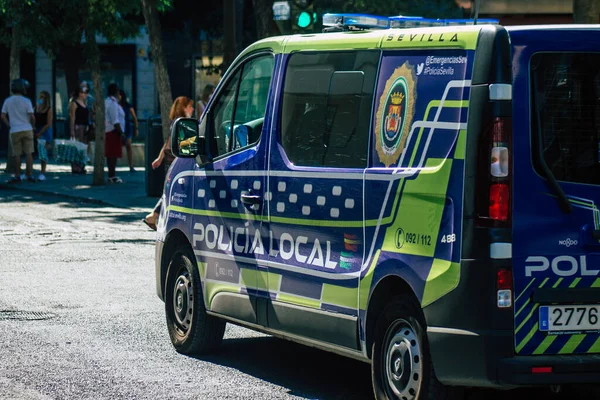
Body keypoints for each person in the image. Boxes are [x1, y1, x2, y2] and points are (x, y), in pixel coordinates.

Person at [143, 96, 194, 230]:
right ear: (183, 107)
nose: (192, 109)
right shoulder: (182, 122)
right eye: (190, 106)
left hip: (172, 160)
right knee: (171, 190)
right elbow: (174, 142)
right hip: (177, 161)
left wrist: (159, 158)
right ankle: (154, 216)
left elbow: (167, 142)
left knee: (170, 190)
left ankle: (155, 216)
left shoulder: (177, 122)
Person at [1, 79, 36, 183]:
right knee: (29, 153)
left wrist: (9, 125)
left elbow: (2, 116)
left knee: (17, 154)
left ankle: (17, 175)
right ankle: (29, 174)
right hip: (27, 128)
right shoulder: (27, 101)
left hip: (14, 130)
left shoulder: (8, 100)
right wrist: (32, 126)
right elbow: (32, 116)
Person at [105, 83, 126, 184]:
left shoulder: (108, 102)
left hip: (111, 131)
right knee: (113, 154)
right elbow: (115, 121)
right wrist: (121, 133)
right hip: (114, 132)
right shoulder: (112, 103)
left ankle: (111, 174)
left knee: (112, 154)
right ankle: (111, 175)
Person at [68, 85, 89, 174]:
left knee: (83, 147)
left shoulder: (85, 103)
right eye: (84, 92)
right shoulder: (74, 103)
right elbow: (72, 117)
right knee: (76, 147)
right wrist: (72, 130)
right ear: (80, 93)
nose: (86, 94)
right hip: (77, 127)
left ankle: (81, 166)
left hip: (84, 127)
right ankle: (76, 167)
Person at [118, 89, 139, 173]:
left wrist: (136, 128)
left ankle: (131, 166)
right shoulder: (115, 105)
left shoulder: (127, 106)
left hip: (127, 127)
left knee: (129, 145)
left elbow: (134, 117)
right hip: (118, 128)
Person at [34, 90, 53, 181]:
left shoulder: (49, 109)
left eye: (42, 97)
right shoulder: (36, 108)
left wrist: (40, 133)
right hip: (36, 130)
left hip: (44, 132)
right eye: (40, 96)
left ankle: (42, 172)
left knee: (43, 153)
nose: (40, 99)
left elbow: (48, 123)